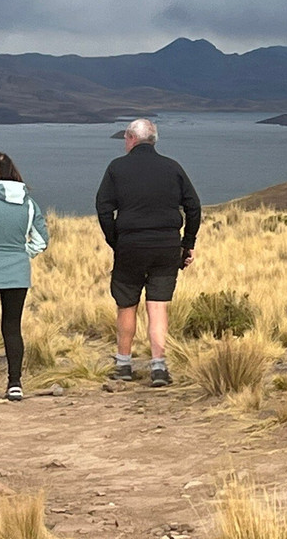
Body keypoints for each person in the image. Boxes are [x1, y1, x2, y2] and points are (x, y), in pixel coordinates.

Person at [95, 118, 200, 387]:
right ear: (153, 141)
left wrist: (115, 241)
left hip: (130, 246)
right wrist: (187, 243)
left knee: (127, 304)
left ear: (131, 138)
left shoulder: (117, 168)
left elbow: (103, 207)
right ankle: (159, 368)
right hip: (166, 246)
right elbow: (194, 206)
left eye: (125, 138)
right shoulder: (172, 167)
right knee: (158, 306)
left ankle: (123, 365)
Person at [0, 152, 49, 401]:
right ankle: (15, 384)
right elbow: (41, 240)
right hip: (18, 274)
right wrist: (22, 254)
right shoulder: (29, 204)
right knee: (12, 328)